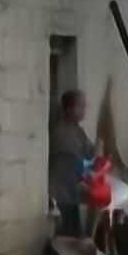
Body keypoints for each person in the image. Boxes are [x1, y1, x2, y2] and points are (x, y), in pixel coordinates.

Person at [49, 89, 94, 237]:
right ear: (69, 108)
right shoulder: (61, 133)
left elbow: (90, 152)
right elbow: (71, 165)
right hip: (61, 194)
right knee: (67, 237)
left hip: (72, 194)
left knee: (74, 236)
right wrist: (84, 182)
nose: (84, 110)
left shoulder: (77, 131)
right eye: (80, 106)